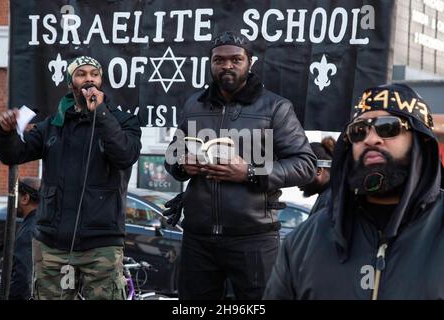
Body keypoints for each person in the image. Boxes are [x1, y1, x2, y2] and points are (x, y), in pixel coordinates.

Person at [165, 31, 316, 300]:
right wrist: (181, 164)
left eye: (236, 59)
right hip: (197, 236)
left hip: (254, 237)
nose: (227, 66)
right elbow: (171, 158)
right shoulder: (193, 104)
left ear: (250, 62)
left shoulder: (275, 107)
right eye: (219, 60)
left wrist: (249, 172)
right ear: (210, 63)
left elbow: (305, 165)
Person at [264, 83, 444, 300]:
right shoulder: (305, 241)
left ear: (421, 141)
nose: (370, 139)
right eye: (359, 131)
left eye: (388, 127)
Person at [0, 56, 142, 300]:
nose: (89, 79)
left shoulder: (123, 121)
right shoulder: (53, 125)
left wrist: (101, 114)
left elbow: (125, 155)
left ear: (101, 81)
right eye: (81, 74)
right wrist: (4, 133)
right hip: (53, 245)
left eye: (94, 74)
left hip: (101, 244)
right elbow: (15, 154)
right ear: (70, 83)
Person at [8, 177, 41, 300]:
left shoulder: (29, 231)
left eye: (15, 196)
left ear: (25, 198)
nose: (11, 201)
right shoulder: (45, 223)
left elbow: (23, 280)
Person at [299, 136, 336, 216]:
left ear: (318, 171)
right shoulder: (329, 195)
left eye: (300, 173)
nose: (296, 181)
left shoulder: (329, 201)